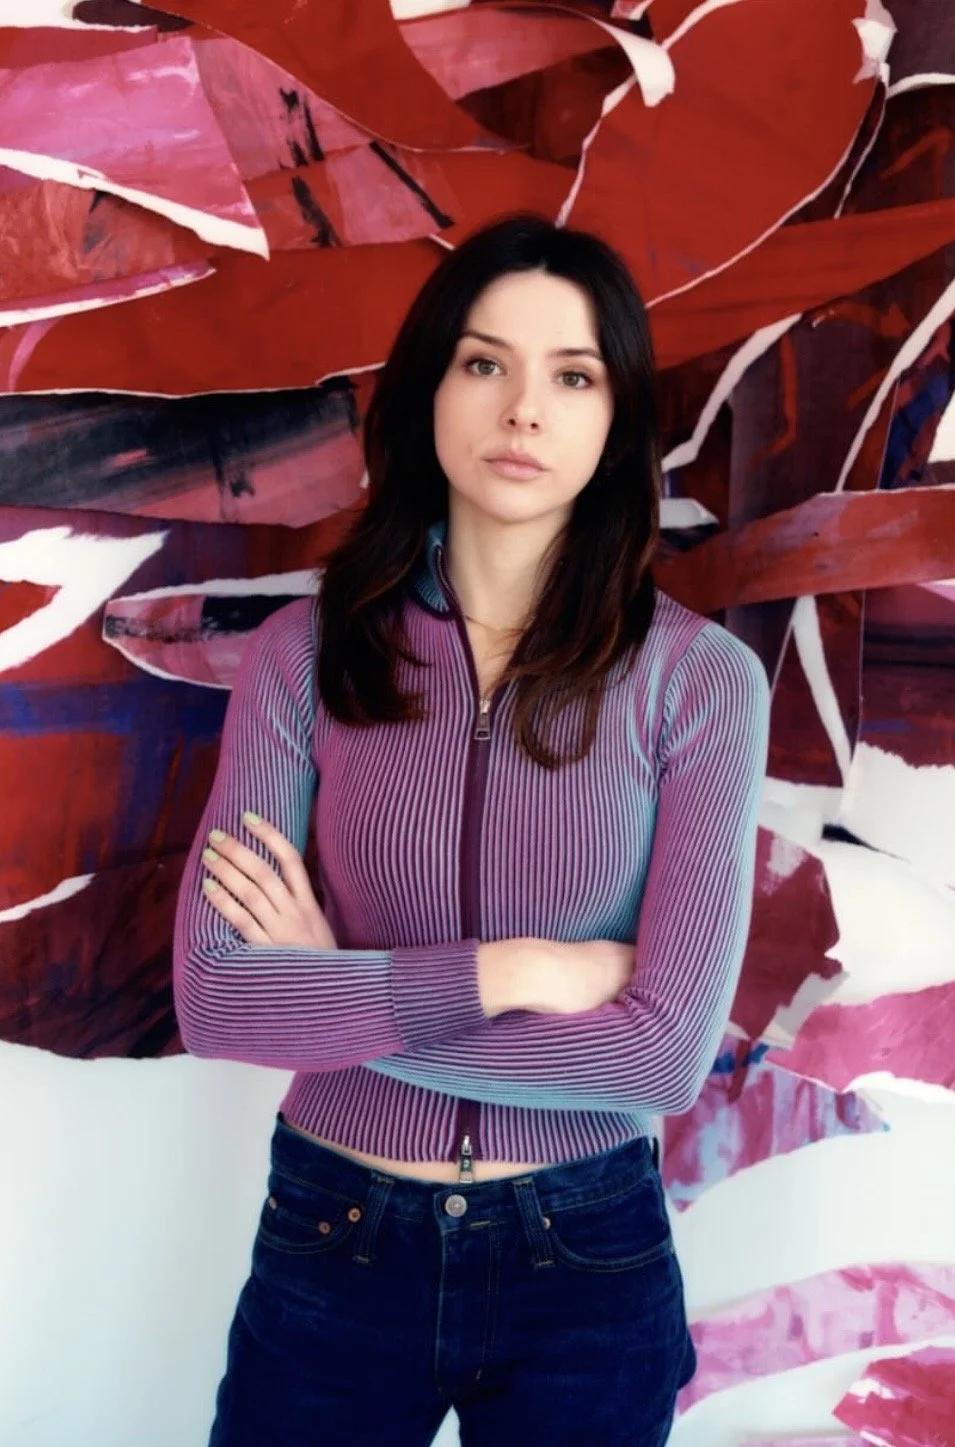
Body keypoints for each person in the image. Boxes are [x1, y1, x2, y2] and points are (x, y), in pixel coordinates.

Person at [172, 213, 769, 1446]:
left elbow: (661, 1060)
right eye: (486, 363)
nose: (524, 411)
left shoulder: (701, 685)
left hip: (586, 1256)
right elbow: (219, 1002)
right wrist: (521, 975)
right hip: (335, 1236)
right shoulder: (304, 657)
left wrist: (339, 989)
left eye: (573, 375)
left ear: (617, 420)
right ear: (432, 384)